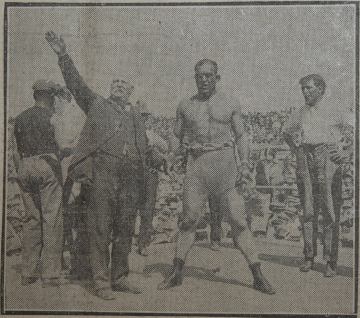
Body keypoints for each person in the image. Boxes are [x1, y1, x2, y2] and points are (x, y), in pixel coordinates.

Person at [157, 59, 275, 294]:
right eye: (200, 75)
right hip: (197, 166)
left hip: (225, 166)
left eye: (209, 75)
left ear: (216, 77)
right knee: (189, 219)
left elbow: (241, 136)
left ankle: (258, 275)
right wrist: (170, 154)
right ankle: (177, 272)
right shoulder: (185, 105)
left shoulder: (230, 102)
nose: (204, 79)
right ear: (195, 77)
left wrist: (244, 164)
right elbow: (175, 134)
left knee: (238, 221)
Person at [46, 31, 147, 300]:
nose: (118, 85)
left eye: (124, 83)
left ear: (131, 91)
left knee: (125, 227)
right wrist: (63, 56)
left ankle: (120, 276)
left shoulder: (136, 115)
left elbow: (142, 147)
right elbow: (77, 86)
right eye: (115, 81)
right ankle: (101, 281)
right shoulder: (97, 105)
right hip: (103, 173)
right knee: (100, 227)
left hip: (129, 177)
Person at [283, 74, 348, 277]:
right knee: (309, 209)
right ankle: (309, 256)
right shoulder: (300, 112)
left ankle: (330, 261)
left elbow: (355, 129)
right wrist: (295, 147)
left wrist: (346, 152)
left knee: (329, 209)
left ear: (321, 89)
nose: (305, 92)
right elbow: (286, 132)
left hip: (326, 155)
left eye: (309, 88)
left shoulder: (334, 109)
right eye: (303, 88)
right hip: (305, 154)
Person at [14, 80, 69, 287]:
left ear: (35, 95)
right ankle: (50, 274)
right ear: (50, 96)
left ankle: (28, 272)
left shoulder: (19, 118)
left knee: (31, 219)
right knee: (51, 219)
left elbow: (15, 152)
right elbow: (61, 146)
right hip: (47, 164)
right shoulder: (53, 117)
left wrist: (22, 169)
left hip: (25, 165)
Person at [137, 101, 169, 256]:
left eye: (144, 116)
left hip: (149, 174)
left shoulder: (150, 134)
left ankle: (143, 242)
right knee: (127, 209)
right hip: (133, 174)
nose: (142, 118)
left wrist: (157, 153)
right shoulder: (128, 132)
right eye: (140, 115)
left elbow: (165, 146)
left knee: (148, 209)